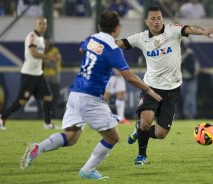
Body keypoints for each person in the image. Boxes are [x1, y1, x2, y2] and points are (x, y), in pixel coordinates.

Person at [20, 10, 162, 179]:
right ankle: (87, 170)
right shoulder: (113, 49)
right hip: (90, 97)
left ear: (99, 26)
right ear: (117, 28)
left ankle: (38, 148)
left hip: (75, 94)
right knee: (112, 137)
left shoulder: (91, 39)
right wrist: (149, 90)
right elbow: (129, 77)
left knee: (71, 137)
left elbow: (82, 49)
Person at [115, 6, 213, 165]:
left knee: (161, 133)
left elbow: (189, 29)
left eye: (159, 18)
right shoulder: (140, 38)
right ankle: (142, 155)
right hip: (151, 87)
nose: (157, 21)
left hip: (173, 89)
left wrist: (202, 31)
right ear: (146, 22)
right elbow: (120, 43)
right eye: (153, 19)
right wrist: (101, 45)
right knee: (146, 120)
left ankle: (139, 130)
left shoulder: (172, 31)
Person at [0, 17, 59, 130]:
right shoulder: (32, 36)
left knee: (48, 97)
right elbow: (33, 53)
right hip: (29, 74)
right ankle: (2, 117)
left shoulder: (41, 39)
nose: (42, 26)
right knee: (22, 101)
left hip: (38, 74)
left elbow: (38, 58)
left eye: (44, 24)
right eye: (40, 24)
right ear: (35, 25)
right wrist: (50, 57)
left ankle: (47, 123)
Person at [180, 41, 200, 119]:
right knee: (183, 99)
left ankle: (191, 116)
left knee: (191, 99)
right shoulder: (177, 54)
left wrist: (182, 65)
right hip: (182, 80)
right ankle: (183, 115)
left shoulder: (190, 54)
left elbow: (194, 68)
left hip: (191, 79)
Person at [43, 38, 62, 118]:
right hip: (45, 77)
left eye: (46, 43)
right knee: (46, 96)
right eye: (44, 44)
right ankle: (45, 114)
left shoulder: (55, 50)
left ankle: (54, 114)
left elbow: (54, 64)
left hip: (54, 76)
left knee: (55, 96)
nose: (45, 45)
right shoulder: (42, 52)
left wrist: (44, 60)